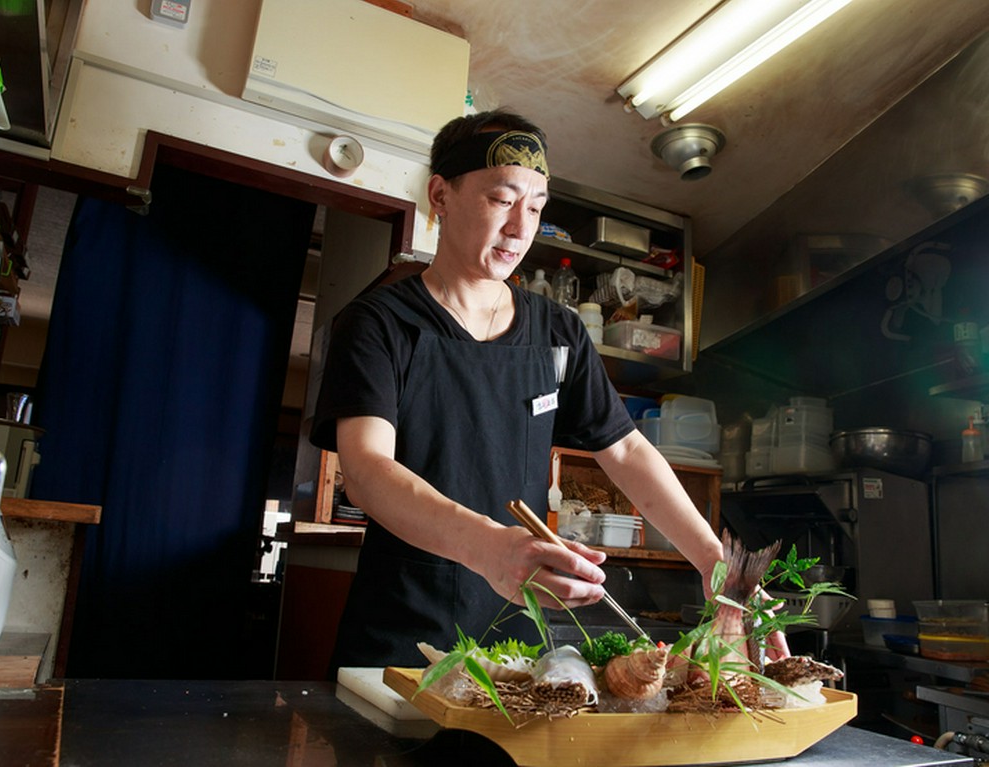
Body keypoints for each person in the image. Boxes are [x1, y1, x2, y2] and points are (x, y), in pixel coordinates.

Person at [310, 109, 787, 673]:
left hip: (515, 641)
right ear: (440, 194)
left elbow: (627, 450)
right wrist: (490, 548)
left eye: (535, 208)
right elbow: (366, 471)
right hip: (400, 635)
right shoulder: (380, 323)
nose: (520, 228)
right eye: (501, 200)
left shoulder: (558, 332)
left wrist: (718, 567)